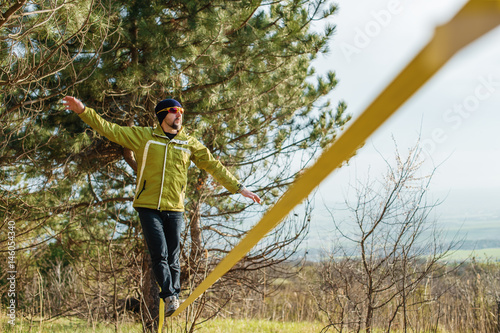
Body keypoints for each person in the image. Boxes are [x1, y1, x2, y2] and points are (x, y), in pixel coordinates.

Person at [62, 96, 261, 316]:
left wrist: (239, 188)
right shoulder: (144, 137)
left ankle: (173, 295)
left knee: (174, 256)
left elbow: (213, 165)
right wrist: (83, 111)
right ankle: (168, 294)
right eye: (175, 110)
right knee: (160, 253)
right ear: (163, 114)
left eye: (181, 111)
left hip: (174, 208)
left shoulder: (188, 143)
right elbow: (110, 129)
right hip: (148, 206)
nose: (179, 114)